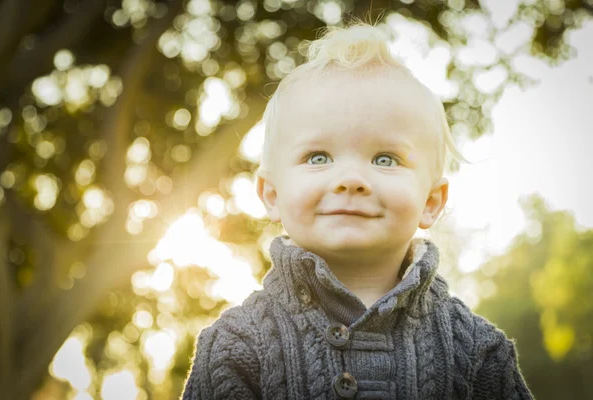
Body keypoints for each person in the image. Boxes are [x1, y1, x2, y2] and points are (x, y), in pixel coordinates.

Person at [181, 22, 533, 399]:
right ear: (272, 194)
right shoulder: (236, 348)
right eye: (318, 157)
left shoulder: (479, 352)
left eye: (385, 158)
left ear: (430, 202)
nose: (350, 179)